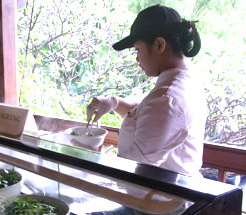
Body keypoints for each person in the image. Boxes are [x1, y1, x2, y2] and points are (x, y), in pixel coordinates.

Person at [86, 4, 206, 176]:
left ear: (159, 45)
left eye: (138, 49)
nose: (137, 58)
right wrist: (114, 102)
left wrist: (88, 153)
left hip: (160, 199)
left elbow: (132, 168)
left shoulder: (168, 98)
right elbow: (148, 114)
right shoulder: (182, 82)